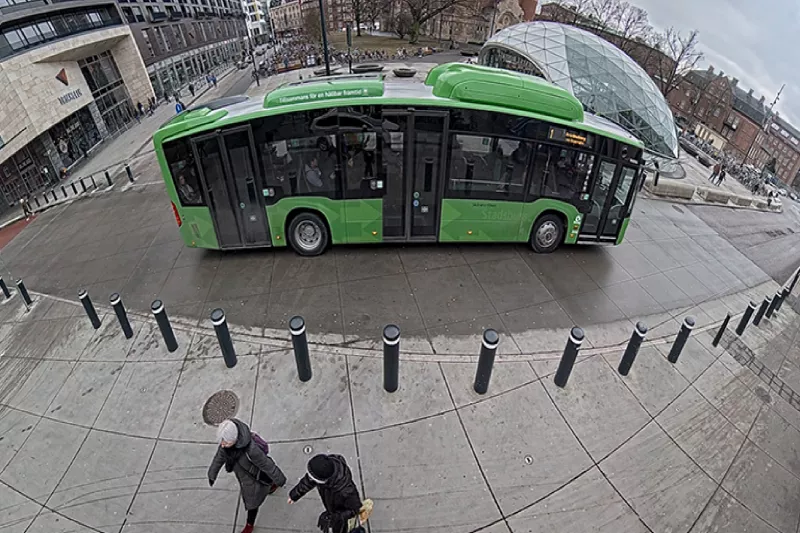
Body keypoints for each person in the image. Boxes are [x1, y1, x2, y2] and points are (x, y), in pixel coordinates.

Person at [208, 419, 286, 533]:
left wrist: (280, 479)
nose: (223, 445)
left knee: (252, 504)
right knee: (262, 489)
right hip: (246, 477)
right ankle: (272, 485)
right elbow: (219, 458)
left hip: (254, 479)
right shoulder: (226, 445)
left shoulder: (251, 450)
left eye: (226, 442)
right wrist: (212, 474)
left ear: (234, 439)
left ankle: (250, 524)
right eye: (222, 442)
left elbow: (267, 465)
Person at [288, 454, 363, 533]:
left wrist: (336, 517)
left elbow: (355, 509)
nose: (309, 478)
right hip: (332, 507)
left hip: (340, 516)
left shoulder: (347, 492)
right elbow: (309, 480)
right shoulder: (325, 469)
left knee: (340, 529)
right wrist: (295, 494)